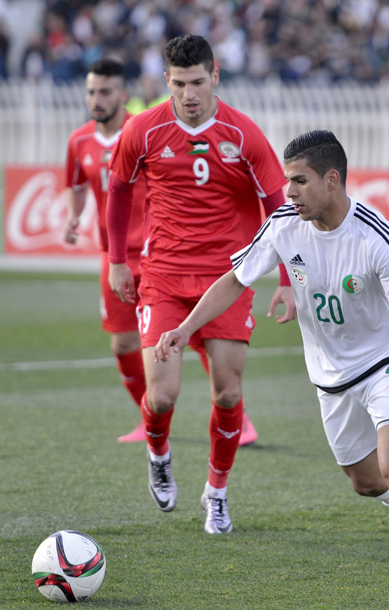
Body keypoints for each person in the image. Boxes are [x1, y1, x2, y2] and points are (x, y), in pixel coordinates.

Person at [155, 130, 389, 586]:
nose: (288, 191)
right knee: (367, 483)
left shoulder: (377, 238)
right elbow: (235, 279)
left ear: (332, 179)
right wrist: (186, 328)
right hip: (330, 377)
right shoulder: (284, 224)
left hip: (385, 364)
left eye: (299, 181)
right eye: (287, 181)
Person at [106, 35, 295, 534]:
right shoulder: (142, 131)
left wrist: (287, 279)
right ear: (165, 81)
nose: (188, 94)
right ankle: (159, 453)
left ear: (215, 76)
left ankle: (217, 493)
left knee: (228, 394)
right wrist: (117, 262)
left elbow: (278, 209)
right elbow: (119, 191)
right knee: (163, 395)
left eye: (196, 82)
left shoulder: (244, 134)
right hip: (163, 276)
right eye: (178, 83)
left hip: (230, 278)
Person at [63, 58, 263, 445]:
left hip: (165, 253)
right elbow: (79, 186)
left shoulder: (148, 129)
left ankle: (237, 414)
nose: (96, 99)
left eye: (104, 91)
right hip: (117, 253)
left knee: (204, 333)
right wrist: (75, 218)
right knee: (123, 342)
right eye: (91, 91)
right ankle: (146, 414)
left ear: (124, 95)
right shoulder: (79, 141)